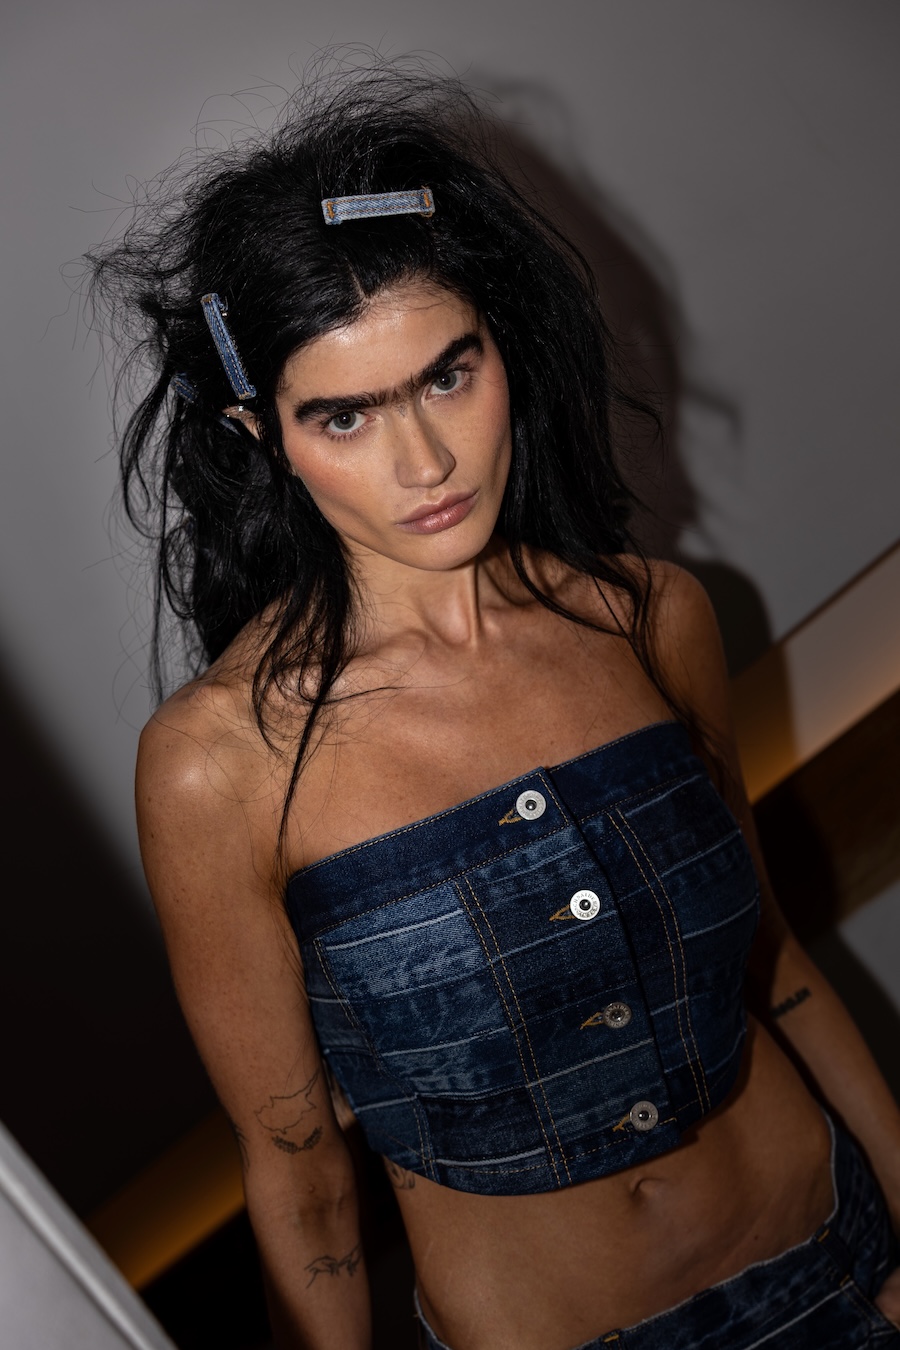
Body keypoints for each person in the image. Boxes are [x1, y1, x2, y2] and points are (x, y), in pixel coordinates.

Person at [90, 65, 900, 1350]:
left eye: (447, 375)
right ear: (259, 434)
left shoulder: (651, 618)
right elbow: (305, 1184)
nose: (424, 462)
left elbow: (775, 964)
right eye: (343, 417)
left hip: (845, 1264)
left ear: (500, 346)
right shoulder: (221, 769)